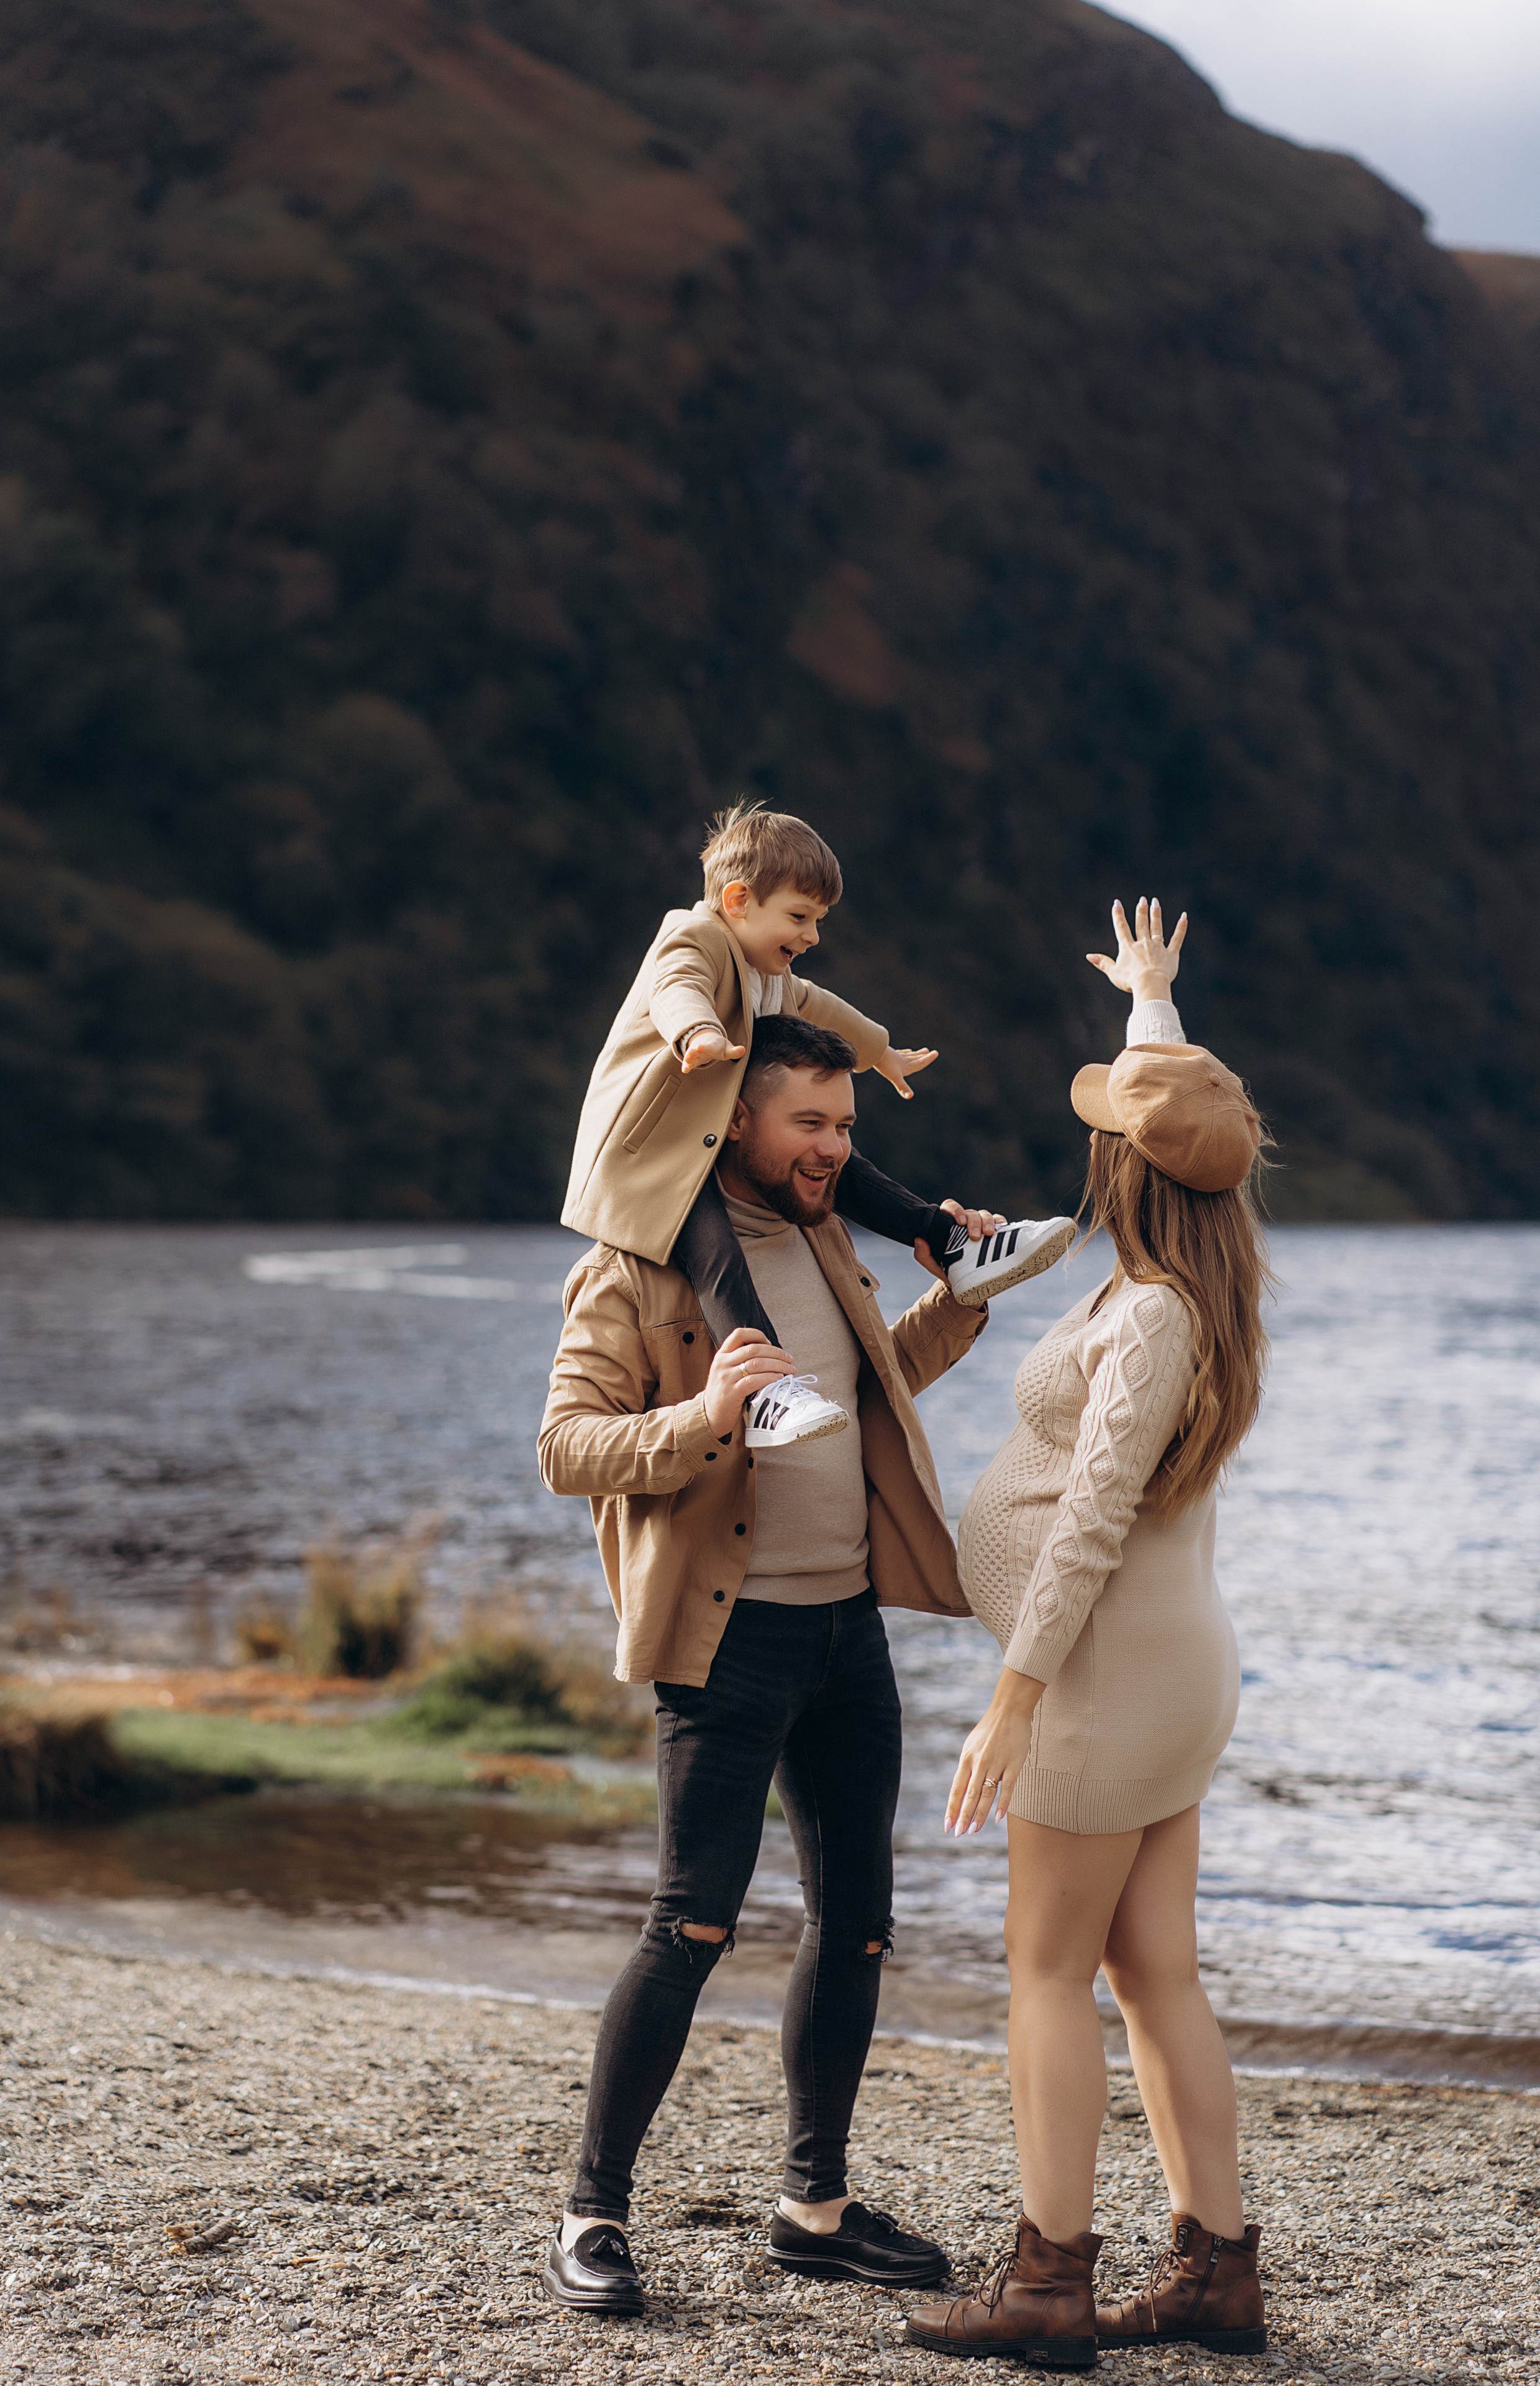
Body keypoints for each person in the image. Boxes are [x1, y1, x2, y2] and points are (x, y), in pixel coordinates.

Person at [537, 1012, 1001, 2316]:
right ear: (733, 1117)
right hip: (726, 1640)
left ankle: (813, 2207)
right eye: (810, 1123)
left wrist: (956, 1303)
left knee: (854, 1925)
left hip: (846, 1630)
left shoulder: (821, 1239)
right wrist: (699, 1418)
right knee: (691, 1920)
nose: (832, 1150)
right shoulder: (638, 1269)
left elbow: (871, 1390)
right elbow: (566, 1446)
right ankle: (590, 2214)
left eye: (845, 1129)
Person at [906, 899, 1272, 2371]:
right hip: (1172, 1676)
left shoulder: (1152, 1319)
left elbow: (1086, 1524)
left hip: (1105, 1678)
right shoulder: (1202, 1283)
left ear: (1121, 1165)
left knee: (1046, 1972)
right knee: (1153, 1972)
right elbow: (1185, 1114)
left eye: (1112, 1130)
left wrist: (1010, 1697)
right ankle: (1215, 2272)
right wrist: (1150, 1004)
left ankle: (1047, 2283)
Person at [560, 801, 1075, 1448]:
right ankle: (764, 1391)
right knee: (715, 1255)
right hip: (650, 1162)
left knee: (841, 1164)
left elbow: (821, 1007)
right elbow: (676, 986)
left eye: (818, 921)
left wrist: (879, 1052)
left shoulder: (770, 975)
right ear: (739, 900)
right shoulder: (695, 940)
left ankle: (951, 1246)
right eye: (799, 917)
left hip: (705, 1143)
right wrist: (694, 1032)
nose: (811, 936)